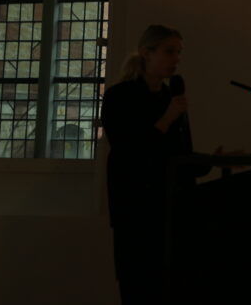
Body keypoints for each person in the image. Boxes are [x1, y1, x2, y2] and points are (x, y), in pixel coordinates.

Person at [102, 24, 202, 305]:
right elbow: (128, 150)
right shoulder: (120, 97)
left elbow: (178, 154)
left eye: (179, 52)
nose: (176, 59)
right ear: (147, 53)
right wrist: (166, 119)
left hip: (170, 210)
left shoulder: (170, 97)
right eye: (169, 51)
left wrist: (212, 160)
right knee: (139, 287)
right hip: (136, 211)